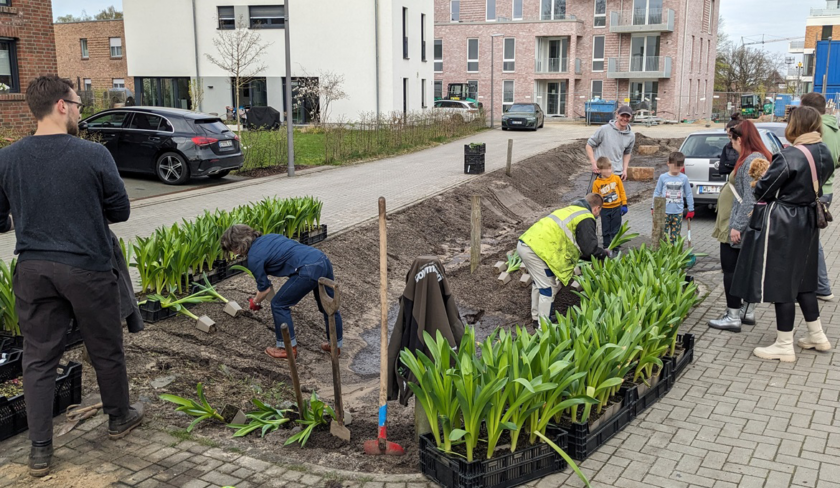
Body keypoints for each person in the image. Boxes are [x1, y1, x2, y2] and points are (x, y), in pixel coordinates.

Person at [0, 75, 141, 477]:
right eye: (78, 104)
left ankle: (40, 450)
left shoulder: (6, 159)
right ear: (61, 106)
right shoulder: (92, 155)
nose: (80, 110)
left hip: (32, 270)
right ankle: (119, 418)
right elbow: (121, 212)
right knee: (104, 348)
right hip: (87, 268)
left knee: (39, 358)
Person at [732, 106, 835, 362]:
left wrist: (763, 179)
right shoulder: (824, 151)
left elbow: (762, 191)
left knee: (781, 282)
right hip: (808, 219)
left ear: (794, 126)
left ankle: (784, 344)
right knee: (804, 280)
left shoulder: (789, 156)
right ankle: (817, 335)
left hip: (783, 223)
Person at [220, 224, 343, 360]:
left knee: (279, 304)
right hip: (322, 260)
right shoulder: (270, 237)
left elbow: (265, 289)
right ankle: (334, 346)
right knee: (329, 307)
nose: (234, 253)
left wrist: (255, 302)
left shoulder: (254, 258)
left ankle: (287, 349)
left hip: (307, 270)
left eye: (232, 249)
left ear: (238, 245)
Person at [708, 120, 771, 332]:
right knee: (744, 268)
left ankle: (733, 315)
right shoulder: (756, 158)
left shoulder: (752, 160)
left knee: (731, 270)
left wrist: (737, 225)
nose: (731, 144)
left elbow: (751, 199)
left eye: (732, 139)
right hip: (740, 223)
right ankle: (746, 311)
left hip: (737, 226)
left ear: (741, 139)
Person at [517, 194, 612, 326]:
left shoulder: (570, 210)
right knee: (548, 288)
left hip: (529, 244)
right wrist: (603, 254)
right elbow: (589, 249)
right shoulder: (585, 216)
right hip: (536, 251)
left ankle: (537, 317)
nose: (599, 215)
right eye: (600, 211)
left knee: (538, 285)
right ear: (596, 208)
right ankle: (543, 327)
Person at [799, 92, 840, 301]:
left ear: (809, 110)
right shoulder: (836, 128)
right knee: (812, 240)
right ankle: (822, 287)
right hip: (828, 189)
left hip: (813, 190)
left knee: (807, 241)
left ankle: (819, 288)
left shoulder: (816, 129)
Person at [652, 152, 695, 245]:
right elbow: (657, 192)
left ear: (682, 166)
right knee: (662, 235)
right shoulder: (663, 177)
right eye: (674, 167)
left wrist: (691, 209)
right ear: (668, 163)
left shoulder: (684, 178)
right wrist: (653, 207)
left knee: (675, 236)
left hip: (678, 213)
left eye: (679, 167)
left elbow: (688, 194)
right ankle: (663, 255)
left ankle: (673, 255)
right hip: (664, 212)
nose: (676, 170)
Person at [586, 105, 636, 180]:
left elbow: (627, 153)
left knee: (616, 192)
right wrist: (593, 163)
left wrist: (625, 170)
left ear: (631, 117)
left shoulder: (631, 136)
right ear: (617, 115)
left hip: (617, 173)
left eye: (627, 116)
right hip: (600, 172)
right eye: (622, 115)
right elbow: (589, 145)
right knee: (596, 191)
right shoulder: (604, 129)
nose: (625, 119)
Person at [591, 156, 628, 247]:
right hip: (604, 209)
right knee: (606, 229)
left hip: (616, 208)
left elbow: (622, 191)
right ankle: (607, 246)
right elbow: (595, 197)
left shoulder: (616, 179)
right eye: (606, 169)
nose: (609, 171)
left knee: (616, 228)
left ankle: (615, 246)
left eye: (610, 168)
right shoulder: (596, 183)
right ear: (600, 170)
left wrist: (624, 204)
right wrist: (595, 209)